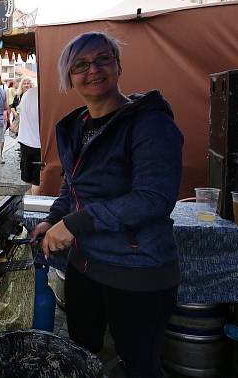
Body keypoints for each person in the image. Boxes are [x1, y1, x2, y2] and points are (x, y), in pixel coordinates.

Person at [30, 32, 183, 378]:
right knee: (82, 351)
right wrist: (54, 219)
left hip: (139, 268)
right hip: (86, 267)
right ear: (69, 77)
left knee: (139, 363)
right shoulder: (76, 127)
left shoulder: (150, 123)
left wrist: (73, 225)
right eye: (80, 65)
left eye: (103, 59)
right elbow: (73, 186)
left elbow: (154, 199)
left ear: (118, 65)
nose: (93, 70)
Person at [15, 78, 41, 194]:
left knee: (27, 178)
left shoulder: (27, 94)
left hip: (25, 142)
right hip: (39, 144)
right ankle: (34, 208)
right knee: (37, 180)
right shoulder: (44, 95)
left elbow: (19, 112)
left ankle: (27, 205)